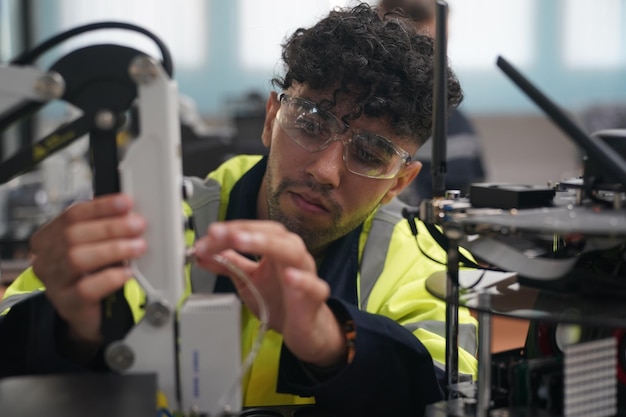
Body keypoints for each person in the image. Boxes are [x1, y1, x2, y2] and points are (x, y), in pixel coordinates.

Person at [0, 4, 478, 416]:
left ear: (399, 182)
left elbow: (453, 396)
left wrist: (332, 343)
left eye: (370, 155)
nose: (326, 171)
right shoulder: (145, 217)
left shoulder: (432, 267)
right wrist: (67, 331)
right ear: (272, 118)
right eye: (311, 124)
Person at [379, 0, 487, 205]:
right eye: (423, 45)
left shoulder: (458, 128)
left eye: (441, 44)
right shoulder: (361, 118)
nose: (433, 58)